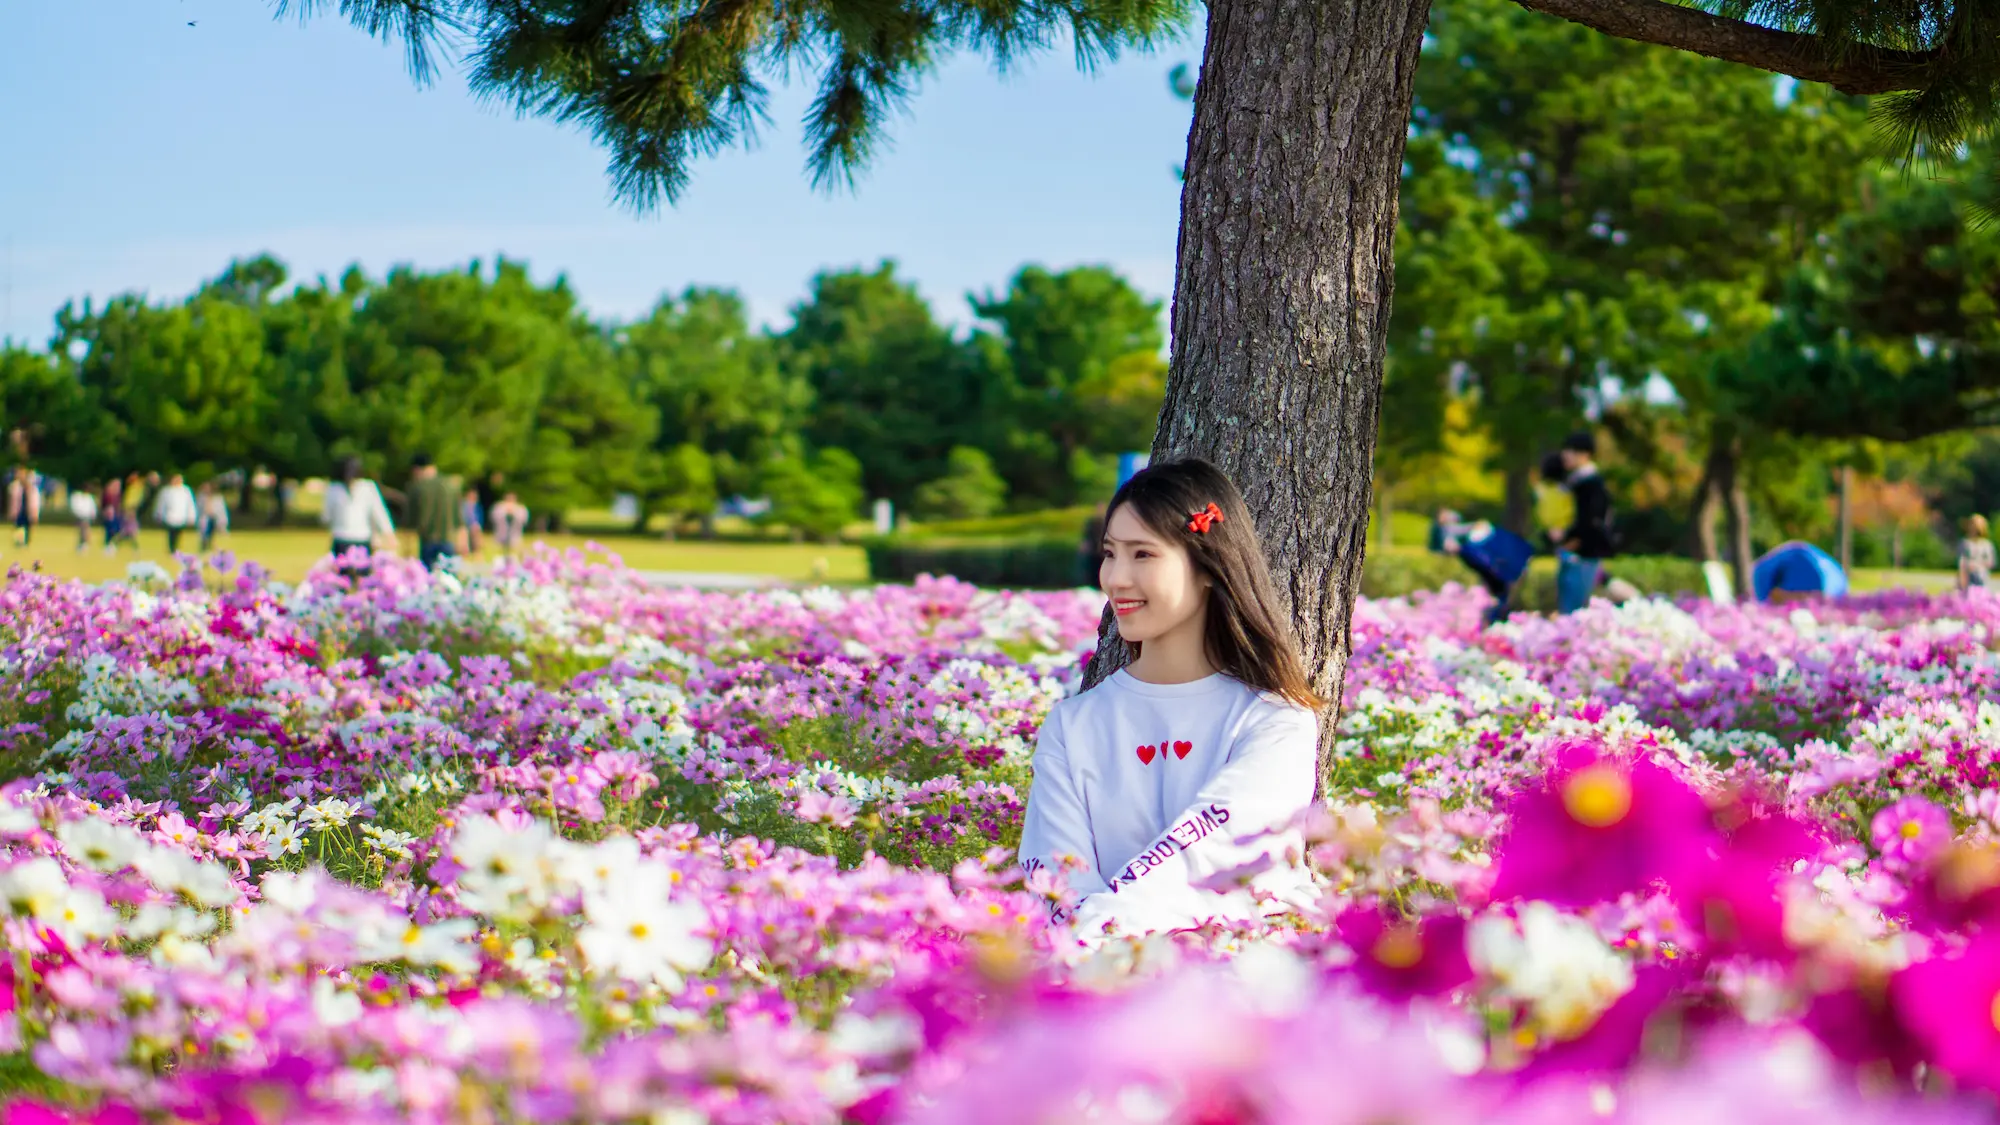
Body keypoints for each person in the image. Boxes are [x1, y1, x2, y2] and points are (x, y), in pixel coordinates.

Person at [1018, 458, 1321, 939]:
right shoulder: (1073, 725)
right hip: (1100, 983)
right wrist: (1095, 947)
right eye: (1111, 553)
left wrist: (1100, 933)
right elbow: (1054, 871)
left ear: (1207, 566)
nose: (1116, 578)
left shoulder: (1275, 721)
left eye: (1143, 555)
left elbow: (1217, 852)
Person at [1546, 434, 1616, 615]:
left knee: (1573, 612)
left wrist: (1570, 540)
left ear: (1585, 455)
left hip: (1583, 554)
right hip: (1573, 552)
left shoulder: (1591, 484)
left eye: (1571, 451)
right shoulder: (1574, 482)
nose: (1565, 455)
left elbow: (1591, 521)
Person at [322, 455, 396, 561]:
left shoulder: (333, 489)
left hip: (341, 539)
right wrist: (389, 534)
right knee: (363, 574)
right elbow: (379, 513)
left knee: (342, 575)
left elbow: (326, 517)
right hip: (362, 538)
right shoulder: (368, 487)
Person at [406, 453, 464, 572]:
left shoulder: (417, 487)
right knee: (448, 581)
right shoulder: (451, 486)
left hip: (427, 541)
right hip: (448, 539)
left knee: (428, 581)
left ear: (416, 469)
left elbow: (409, 522)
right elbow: (459, 518)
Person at [152, 473, 198, 556]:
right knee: (171, 533)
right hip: (170, 516)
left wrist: (191, 516)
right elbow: (161, 504)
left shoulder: (185, 491)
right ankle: (171, 548)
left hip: (181, 516)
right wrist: (159, 514)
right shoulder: (167, 491)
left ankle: (176, 549)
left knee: (178, 533)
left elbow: (190, 504)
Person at [1961, 514, 1995, 593]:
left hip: (1982, 577)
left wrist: (1978, 565)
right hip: (1968, 578)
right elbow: (1961, 562)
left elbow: (1991, 562)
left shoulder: (1987, 544)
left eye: (1975, 526)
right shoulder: (1965, 543)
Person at [6, 467, 39, 547]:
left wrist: (35, 513)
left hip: (28, 510)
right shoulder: (15, 487)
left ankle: (25, 542)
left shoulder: (32, 488)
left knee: (28, 527)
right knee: (18, 526)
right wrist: (11, 512)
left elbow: (35, 502)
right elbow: (12, 502)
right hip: (19, 510)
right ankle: (19, 541)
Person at [490, 492, 529, 556]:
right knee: (501, 551)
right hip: (501, 533)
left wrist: (514, 512)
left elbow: (524, 520)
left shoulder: (520, 508)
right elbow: (494, 518)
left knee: (514, 550)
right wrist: (505, 511)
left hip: (515, 534)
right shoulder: (499, 507)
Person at [197, 483, 230, 553]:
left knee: (213, 533)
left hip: (215, 517)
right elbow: (199, 508)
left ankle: (213, 546)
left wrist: (223, 520)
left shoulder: (218, 498)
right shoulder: (201, 498)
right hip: (205, 517)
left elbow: (221, 509)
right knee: (204, 532)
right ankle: (204, 546)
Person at [69, 482, 98, 553]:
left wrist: (92, 516)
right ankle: (82, 545)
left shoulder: (89, 498)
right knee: (82, 531)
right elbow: (75, 507)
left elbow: (92, 508)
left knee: (86, 531)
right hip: (80, 517)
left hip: (87, 518)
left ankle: (84, 545)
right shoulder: (78, 496)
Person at [98, 478, 122, 556]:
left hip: (115, 514)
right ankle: (108, 546)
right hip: (108, 514)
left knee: (116, 530)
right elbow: (103, 504)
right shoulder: (108, 494)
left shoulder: (117, 495)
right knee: (109, 530)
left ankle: (112, 545)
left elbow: (117, 505)